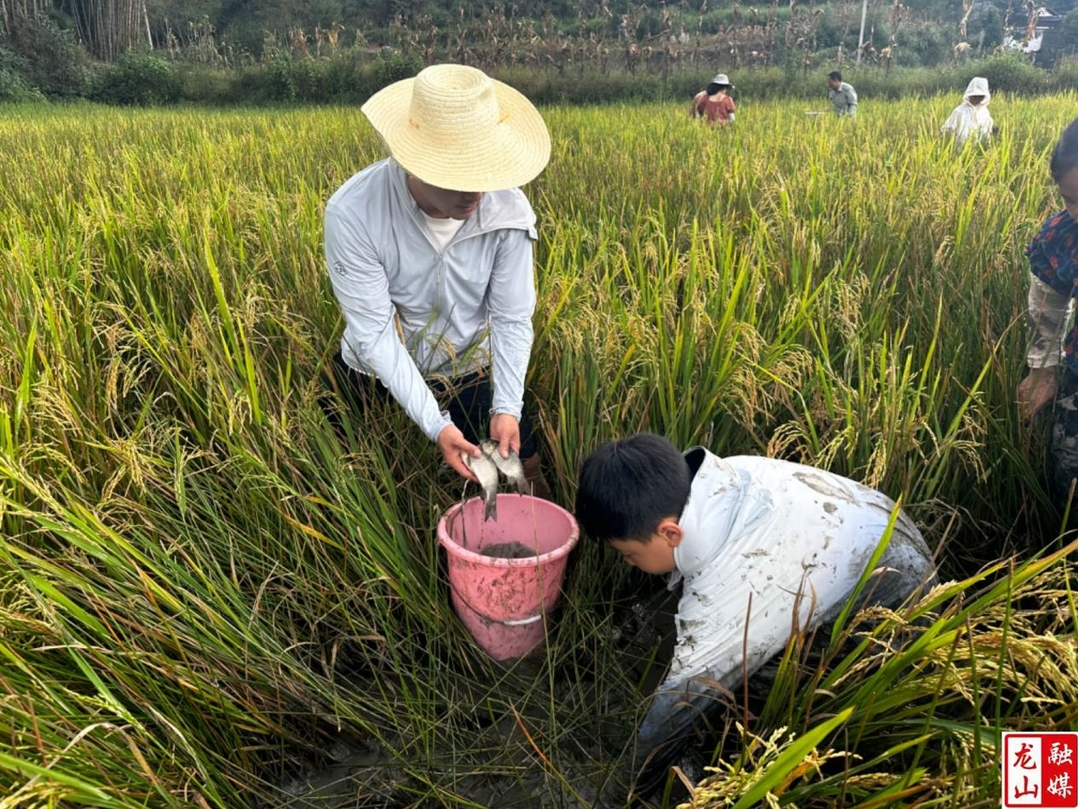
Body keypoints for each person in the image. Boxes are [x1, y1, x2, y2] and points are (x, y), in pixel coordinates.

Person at [575, 433, 936, 798]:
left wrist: (621, 792)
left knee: (743, 690)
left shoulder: (735, 585)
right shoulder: (725, 474)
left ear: (670, 532)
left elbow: (678, 704)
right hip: (871, 526)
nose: (626, 561)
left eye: (627, 553)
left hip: (893, 605)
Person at [323, 63, 553, 497]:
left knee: (523, 461)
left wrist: (506, 407)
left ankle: (538, 536)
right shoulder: (354, 212)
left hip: (467, 361)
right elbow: (374, 333)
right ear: (412, 162)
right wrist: (435, 424)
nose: (476, 193)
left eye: (485, 172)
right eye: (458, 174)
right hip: (375, 367)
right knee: (349, 470)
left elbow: (511, 317)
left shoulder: (508, 210)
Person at [1016, 115, 1078, 514]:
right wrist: (1044, 369)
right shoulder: (1064, 234)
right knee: (1070, 478)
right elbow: (1048, 300)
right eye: (1071, 198)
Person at [940, 76, 994, 145]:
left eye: (980, 96)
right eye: (975, 96)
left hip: (979, 150)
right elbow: (947, 130)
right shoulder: (960, 111)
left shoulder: (985, 112)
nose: (977, 99)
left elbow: (988, 130)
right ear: (969, 94)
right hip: (960, 150)